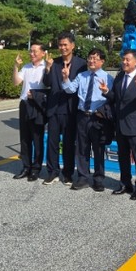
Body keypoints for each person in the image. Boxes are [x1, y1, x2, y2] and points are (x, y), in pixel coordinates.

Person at [99, 50, 136, 200]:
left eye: (128, 60)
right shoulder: (120, 77)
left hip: (135, 125)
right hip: (120, 124)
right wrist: (106, 91)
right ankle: (125, 183)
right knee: (123, 156)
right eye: (123, 59)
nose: (124, 62)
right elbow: (116, 98)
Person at [62, 48, 113, 191]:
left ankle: (98, 179)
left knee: (98, 149)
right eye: (90, 58)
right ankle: (83, 177)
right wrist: (65, 78)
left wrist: (106, 94)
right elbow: (70, 90)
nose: (91, 61)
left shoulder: (108, 78)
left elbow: (113, 98)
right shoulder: (81, 76)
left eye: (95, 59)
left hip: (98, 118)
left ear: (102, 61)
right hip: (82, 116)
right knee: (82, 149)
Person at [43, 32, 87, 186]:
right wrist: (47, 69)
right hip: (54, 108)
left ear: (72, 46)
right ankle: (52, 172)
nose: (62, 48)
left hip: (71, 109)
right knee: (52, 143)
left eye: (65, 45)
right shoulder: (53, 63)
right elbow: (47, 83)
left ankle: (68, 173)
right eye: (60, 45)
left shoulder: (82, 64)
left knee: (69, 144)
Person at [11, 45, 47, 181]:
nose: (31, 53)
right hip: (25, 104)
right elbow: (16, 82)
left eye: (34, 51)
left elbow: (50, 85)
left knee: (37, 138)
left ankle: (36, 169)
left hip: (38, 105)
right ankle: (26, 167)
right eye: (30, 51)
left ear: (43, 53)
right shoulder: (26, 67)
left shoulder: (46, 67)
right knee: (25, 138)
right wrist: (16, 66)